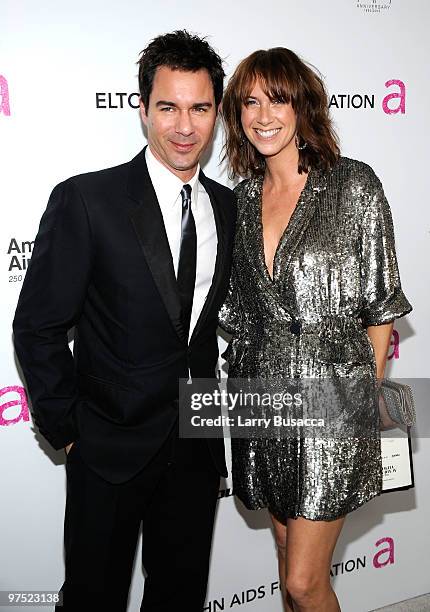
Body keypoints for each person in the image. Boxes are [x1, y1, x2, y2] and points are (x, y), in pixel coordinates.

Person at [13, 30, 236, 612]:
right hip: (106, 446)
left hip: (195, 445)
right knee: (94, 597)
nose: (184, 126)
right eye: (168, 107)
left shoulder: (231, 208)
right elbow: (37, 325)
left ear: (216, 113)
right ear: (143, 110)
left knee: (181, 595)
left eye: (199, 108)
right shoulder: (88, 201)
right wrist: (68, 429)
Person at [220, 47, 411, 612]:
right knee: (285, 555)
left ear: (302, 104)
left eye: (276, 98)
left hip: (334, 400)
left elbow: (380, 310)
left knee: (304, 580)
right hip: (261, 394)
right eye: (250, 101)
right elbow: (235, 308)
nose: (263, 115)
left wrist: (362, 402)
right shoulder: (242, 200)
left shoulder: (353, 186)